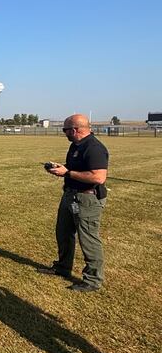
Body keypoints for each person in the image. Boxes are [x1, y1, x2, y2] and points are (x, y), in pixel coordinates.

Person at [40, 114, 108, 292]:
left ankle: (92, 279)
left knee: (88, 238)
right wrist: (60, 168)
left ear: (75, 130)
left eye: (65, 130)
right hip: (70, 195)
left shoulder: (94, 148)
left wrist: (67, 173)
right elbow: (73, 169)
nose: (64, 133)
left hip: (86, 199)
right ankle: (63, 267)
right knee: (63, 233)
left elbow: (99, 177)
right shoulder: (75, 146)